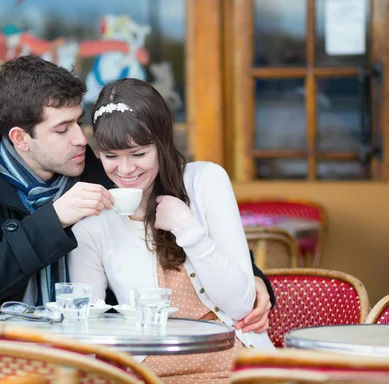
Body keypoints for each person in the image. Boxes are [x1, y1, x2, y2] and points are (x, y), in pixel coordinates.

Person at [0, 55, 273, 382]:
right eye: (62, 130)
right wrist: (52, 220)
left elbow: (192, 224)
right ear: (20, 138)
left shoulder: (101, 169)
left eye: (79, 121)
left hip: (86, 356)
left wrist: (256, 281)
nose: (82, 139)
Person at [68, 78, 275, 383]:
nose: (125, 171)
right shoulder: (92, 225)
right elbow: (87, 330)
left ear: (162, 145)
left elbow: (240, 304)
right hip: (150, 375)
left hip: (237, 366)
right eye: (111, 157)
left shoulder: (205, 181)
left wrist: (187, 228)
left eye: (138, 154)